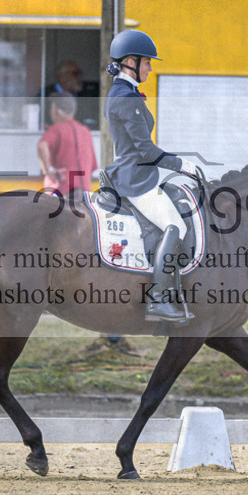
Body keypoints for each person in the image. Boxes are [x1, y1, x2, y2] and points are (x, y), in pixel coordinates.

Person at [103, 29, 198, 323]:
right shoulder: (124, 97)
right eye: (147, 62)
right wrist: (180, 164)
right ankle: (157, 299)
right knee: (175, 226)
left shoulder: (126, 93)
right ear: (131, 61)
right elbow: (144, 149)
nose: (151, 68)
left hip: (141, 173)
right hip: (135, 177)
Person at [37, 92, 97, 200]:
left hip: (62, 193)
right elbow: (92, 167)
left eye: (51, 108)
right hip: (84, 196)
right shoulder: (86, 132)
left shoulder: (57, 129)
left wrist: (48, 171)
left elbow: (42, 146)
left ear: (56, 110)